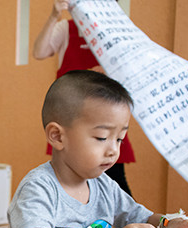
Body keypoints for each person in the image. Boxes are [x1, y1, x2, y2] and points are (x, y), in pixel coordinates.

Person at [7, 70, 188, 228]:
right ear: (57, 136)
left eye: (119, 139)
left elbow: (145, 219)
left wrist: (170, 224)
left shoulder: (105, 187)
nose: (113, 150)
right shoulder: (39, 186)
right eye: (101, 138)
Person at [33, 0, 135, 196]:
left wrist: (110, 71)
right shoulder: (66, 28)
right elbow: (39, 52)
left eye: (119, 140)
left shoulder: (116, 33)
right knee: (70, 175)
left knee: (114, 179)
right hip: (76, 113)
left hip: (105, 113)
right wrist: (54, 15)